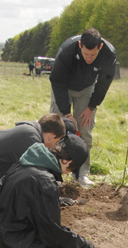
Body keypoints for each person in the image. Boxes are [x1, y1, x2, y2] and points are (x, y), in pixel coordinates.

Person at [0, 135, 101, 248]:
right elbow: (52, 234)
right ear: (68, 162)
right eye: (71, 170)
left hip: (21, 241)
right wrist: (82, 243)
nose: (68, 174)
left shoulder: (28, 160)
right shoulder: (45, 181)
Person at [49, 28, 118, 187]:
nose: (89, 58)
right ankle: (51, 172)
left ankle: (81, 174)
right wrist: (66, 112)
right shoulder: (67, 51)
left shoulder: (109, 54)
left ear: (100, 47)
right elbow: (57, 81)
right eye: (86, 53)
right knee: (56, 128)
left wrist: (91, 106)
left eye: (93, 55)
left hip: (87, 88)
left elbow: (103, 83)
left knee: (85, 129)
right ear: (80, 44)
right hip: (63, 87)